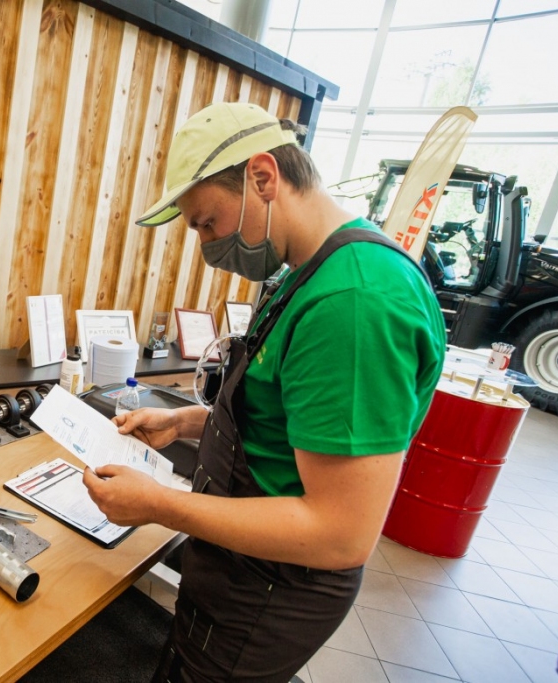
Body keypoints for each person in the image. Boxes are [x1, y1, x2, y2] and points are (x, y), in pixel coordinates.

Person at [81, 102, 446, 682]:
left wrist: (157, 504)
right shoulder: (308, 271)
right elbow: (291, 417)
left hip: (270, 587)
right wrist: (184, 423)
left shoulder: (353, 303)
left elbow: (339, 533)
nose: (206, 245)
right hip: (234, 565)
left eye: (207, 223)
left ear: (262, 177)